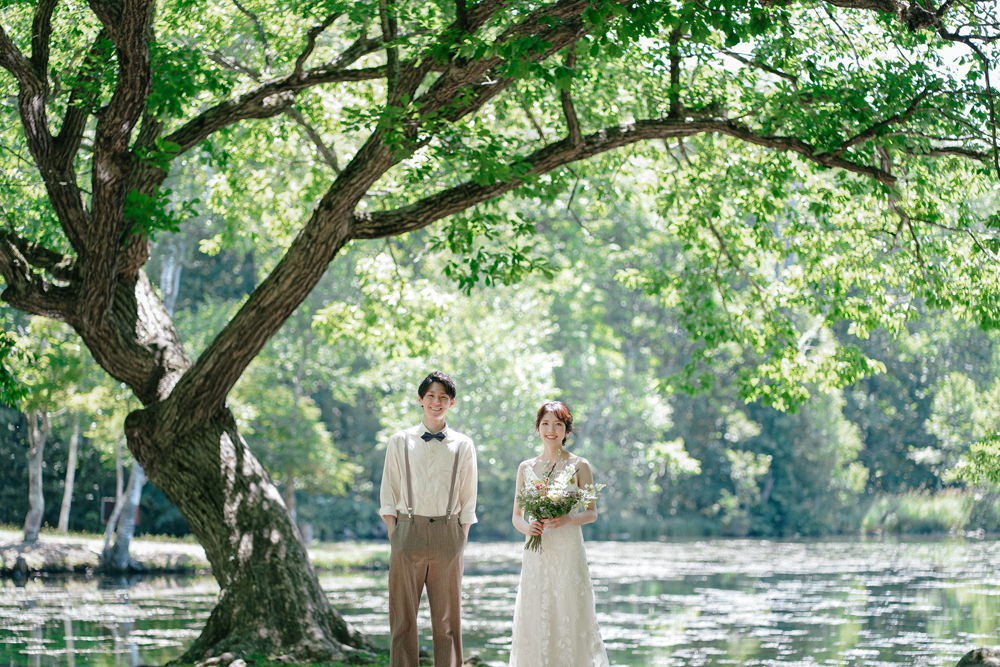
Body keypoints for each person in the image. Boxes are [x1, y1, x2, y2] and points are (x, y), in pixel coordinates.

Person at [380, 371, 478, 667]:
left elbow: (468, 496)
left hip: (448, 532)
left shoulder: (463, 444)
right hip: (407, 530)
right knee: (403, 622)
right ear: (420, 399)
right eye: (431, 396)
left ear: (452, 403)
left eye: (443, 397)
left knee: (447, 623)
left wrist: (460, 538)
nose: (437, 402)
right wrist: (394, 534)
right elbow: (389, 489)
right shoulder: (400, 440)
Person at [509, 400, 610, 667]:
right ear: (538, 428)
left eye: (558, 424)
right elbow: (516, 517)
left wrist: (567, 517)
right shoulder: (525, 468)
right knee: (537, 612)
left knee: (569, 609)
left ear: (567, 430)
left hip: (568, 548)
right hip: (537, 550)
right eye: (545, 424)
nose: (551, 429)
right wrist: (528, 527)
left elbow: (592, 512)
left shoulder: (580, 465)